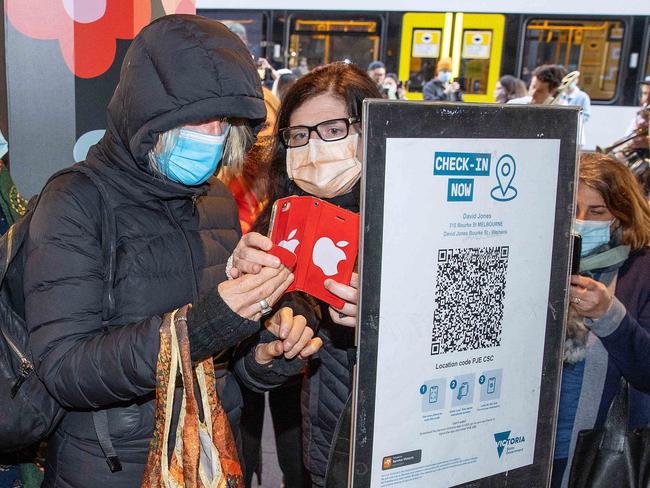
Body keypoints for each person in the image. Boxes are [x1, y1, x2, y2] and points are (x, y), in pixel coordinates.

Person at [23, 15, 321, 487]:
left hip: (211, 460)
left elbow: (229, 363)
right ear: (148, 112)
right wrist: (201, 325)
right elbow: (65, 369)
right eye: (198, 118)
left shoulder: (217, 198)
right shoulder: (76, 200)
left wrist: (269, 354)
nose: (212, 134)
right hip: (113, 468)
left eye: (224, 121)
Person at [234, 62, 380, 487]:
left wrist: (384, 321)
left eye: (333, 129)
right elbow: (250, 369)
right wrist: (273, 332)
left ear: (370, 129)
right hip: (324, 446)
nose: (315, 148)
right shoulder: (280, 217)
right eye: (299, 135)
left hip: (408, 444)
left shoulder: (417, 217)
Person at [551, 152, 650, 487]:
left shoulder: (642, 271)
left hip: (595, 453)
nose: (581, 221)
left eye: (597, 212)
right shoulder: (543, 259)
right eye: (573, 210)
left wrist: (609, 316)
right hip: (527, 447)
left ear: (621, 216)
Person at [560, 74, 591, 145]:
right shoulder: (561, 96)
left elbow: (586, 115)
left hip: (575, 134)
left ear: (576, 81)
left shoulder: (583, 96)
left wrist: (572, 121)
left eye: (572, 81)